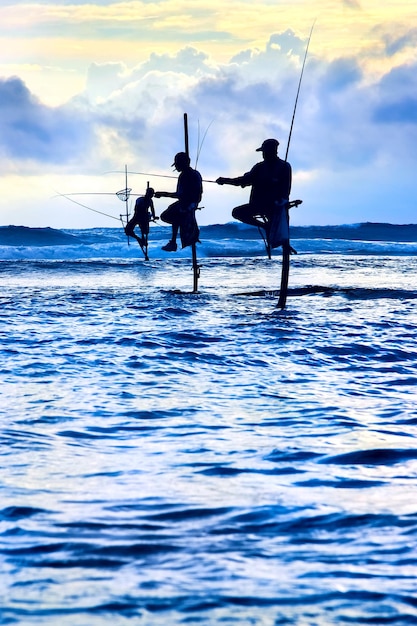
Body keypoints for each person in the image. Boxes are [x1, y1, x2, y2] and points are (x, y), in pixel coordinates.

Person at [216, 138, 294, 245]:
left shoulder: (283, 166)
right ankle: (265, 226)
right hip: (259, 205)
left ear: (272, 151)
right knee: (237, 212)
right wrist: (226, 181)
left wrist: (281, 202)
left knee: (279, 235)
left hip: (275, 206)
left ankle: (278, 239)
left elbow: (286, 188)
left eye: (264, 152)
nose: (263, 154)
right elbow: (243, 180)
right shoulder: (259, 167)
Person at [155, 152, 203, 252]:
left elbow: (180, 195)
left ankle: (173, 242)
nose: (176, 167)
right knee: (174, 215)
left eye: (177, 164)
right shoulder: (196, 173)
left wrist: (163, 194)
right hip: (193, 203)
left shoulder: (184, 176)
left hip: (187, 204)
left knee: (166, 215)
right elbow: (199, 193)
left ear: (182, 163)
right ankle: (174, 240)